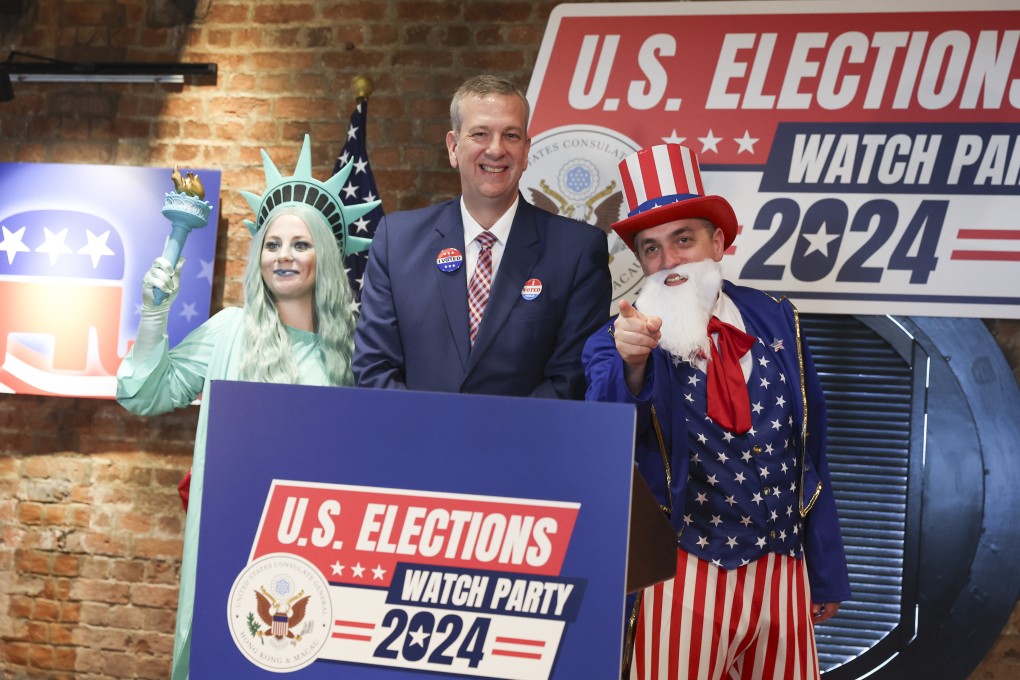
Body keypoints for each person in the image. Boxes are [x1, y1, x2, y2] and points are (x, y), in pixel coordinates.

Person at [583, 144, 850, 679]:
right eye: (652, 249)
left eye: (684, 239)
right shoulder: (618, 339)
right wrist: (630, 364)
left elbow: (809, 450)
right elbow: (603, 440)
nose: (669, 261)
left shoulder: (776, 318)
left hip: (782, 570)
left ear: (719, 242)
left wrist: (825, 569)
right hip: (681, 578)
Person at [116, 135, 379, 680]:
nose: (284, 256)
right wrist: (153, 312)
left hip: (322, 552)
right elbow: (143, 393)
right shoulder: (229, 331)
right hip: (233, 545)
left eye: (300, 244)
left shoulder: (359, 350)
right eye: (272, 243)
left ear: (325, 255)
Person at [353, 74, 611, 398]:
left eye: (511, 135)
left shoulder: (577, 251)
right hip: (415, 443)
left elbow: (571, 377)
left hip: (525, 446)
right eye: (480, 134)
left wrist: (492, 442)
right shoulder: (396, 241)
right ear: (453, 147)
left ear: (526, 150)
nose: (496, 149)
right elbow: (374, 369)